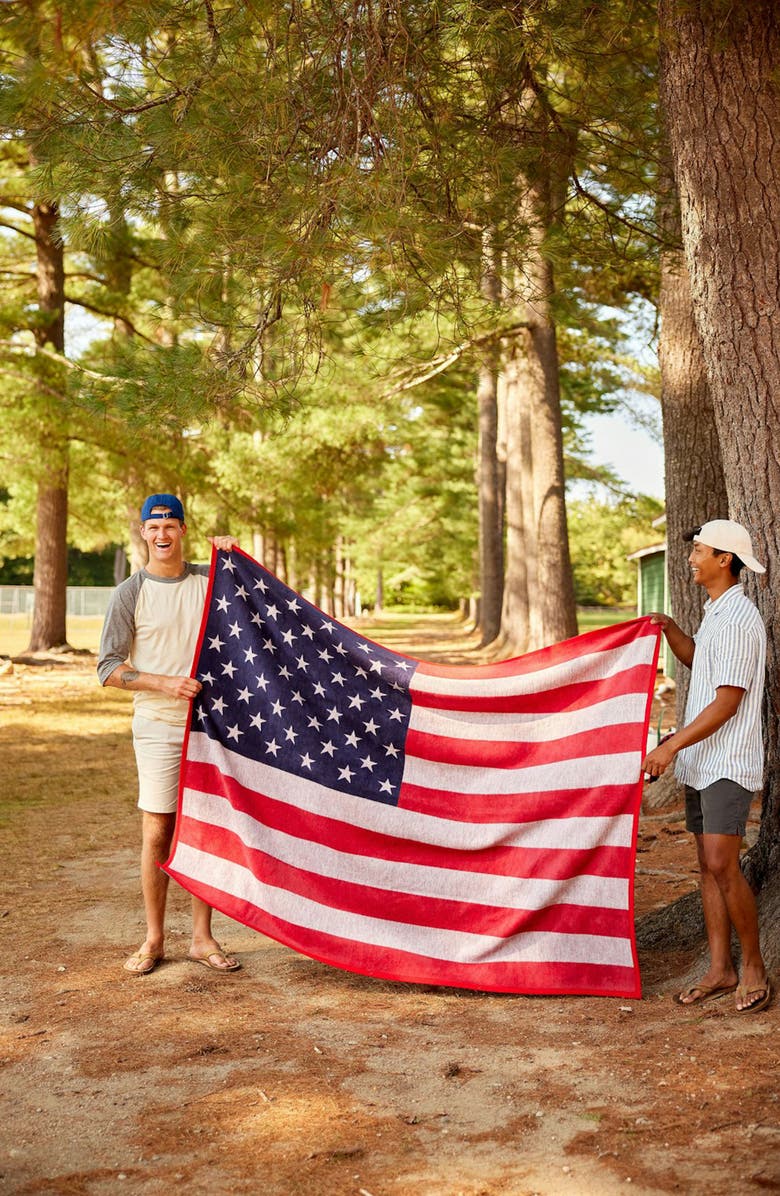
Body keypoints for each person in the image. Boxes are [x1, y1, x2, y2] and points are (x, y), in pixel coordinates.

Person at [98, 493, 242, 975]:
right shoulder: (129, 592)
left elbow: (261, 600)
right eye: (153, 527)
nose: (162, 535)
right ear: (143, 532)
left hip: (211, 727)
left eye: (171, 526)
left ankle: (203, 938)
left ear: (182, 530)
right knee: (158, 830)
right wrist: (164, 683)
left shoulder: (210, 580)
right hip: (157, 727)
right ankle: (154, 939)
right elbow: (108, 668)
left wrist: (232, 555)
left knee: (204, 829)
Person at [642, 519, 771, 1013]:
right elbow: (705, 663)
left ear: (725, 560)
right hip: (701, 760)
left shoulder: (740, 619)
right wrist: (674, 631)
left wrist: (669, 746)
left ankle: (754, 965)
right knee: (705, 866)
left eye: (700, 550)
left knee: (722, 863)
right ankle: (720, 969)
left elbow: (727, 703)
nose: (691, 558)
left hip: (727, 762)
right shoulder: (716, 611)